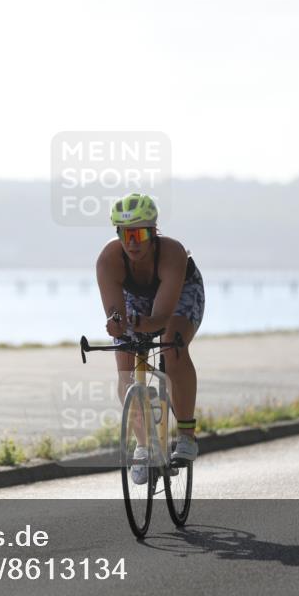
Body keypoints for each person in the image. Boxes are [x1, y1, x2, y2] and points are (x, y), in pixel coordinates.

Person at [95, 192, 205, 484]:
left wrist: (147, 324)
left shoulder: (172, 253)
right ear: (117, 233)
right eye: (125, 233)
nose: (132, 241)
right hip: (138, 298)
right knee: (124, 364)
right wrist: (116, 325)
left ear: (153, 232)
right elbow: (115, 313)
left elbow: (162, 317)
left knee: (173, 345)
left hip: (181, 293)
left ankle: (186, 435)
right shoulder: (108, 260)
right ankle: (143, 446)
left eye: (139, 233)